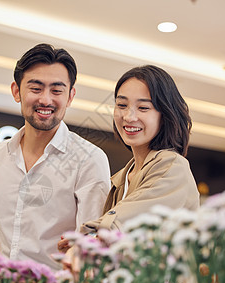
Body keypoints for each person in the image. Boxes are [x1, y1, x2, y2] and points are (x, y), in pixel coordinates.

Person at [0, 43, 111, 270]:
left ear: (70, 96)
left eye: (56, 91)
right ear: (16, 91)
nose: (46, 100)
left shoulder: (89, 160)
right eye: (36, 89)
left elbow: (91, 247)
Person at [58, 65, 199, 252]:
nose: (129, 116)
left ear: (165, 115)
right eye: (122, 105)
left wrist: (89, 237)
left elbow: (129, 221)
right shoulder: (123, 177)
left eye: (143, 107)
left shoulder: (172, 166)